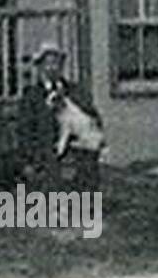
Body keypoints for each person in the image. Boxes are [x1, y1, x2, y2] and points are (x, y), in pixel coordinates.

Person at [17, 42, 102, 191]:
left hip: (75, 159)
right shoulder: (32, 95)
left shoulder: (76, 91)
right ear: (40, 67)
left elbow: (93, 119)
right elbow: (25, 130)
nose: (52, 68)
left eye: (56, 63)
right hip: (44, 160)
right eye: (47, 63)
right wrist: (28, 162)